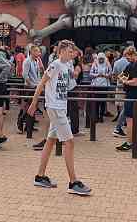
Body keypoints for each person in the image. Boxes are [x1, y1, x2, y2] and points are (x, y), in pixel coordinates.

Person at [27, 39, 91, 196]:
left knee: (50, 141)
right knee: (69, 142)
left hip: (60, 107)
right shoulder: (55, 65)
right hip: (55, 108)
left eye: (72, 51)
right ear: (61, 51)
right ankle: (73, 182)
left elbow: (70, 85)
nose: (72, 53)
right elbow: (41, 83)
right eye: (69, 51)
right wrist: (34, 103)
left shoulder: (67, 65)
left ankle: (40, 176)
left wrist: (77, 69)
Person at [22, 46, 46, 150]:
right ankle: (26, 126)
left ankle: (29, 126)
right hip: (31, 87)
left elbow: (41, 72)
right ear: (32, 51)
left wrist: (41, 66)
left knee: (33, 107)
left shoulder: (36, 61)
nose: (39, 53)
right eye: (37, 51)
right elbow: (25, 75)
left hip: (36, 86)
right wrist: (31, 85)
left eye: (39, 51)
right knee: (30, 107)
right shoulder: (27, 61)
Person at [111, 48, 131, 136]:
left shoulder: (117, 62)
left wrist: (120, 79)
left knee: (121, 105)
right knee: (127, 105)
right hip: (129, 86)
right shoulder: (130, 63)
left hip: (119, 85)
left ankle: (120, 125)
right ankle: (122, 124)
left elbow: (114, 76)